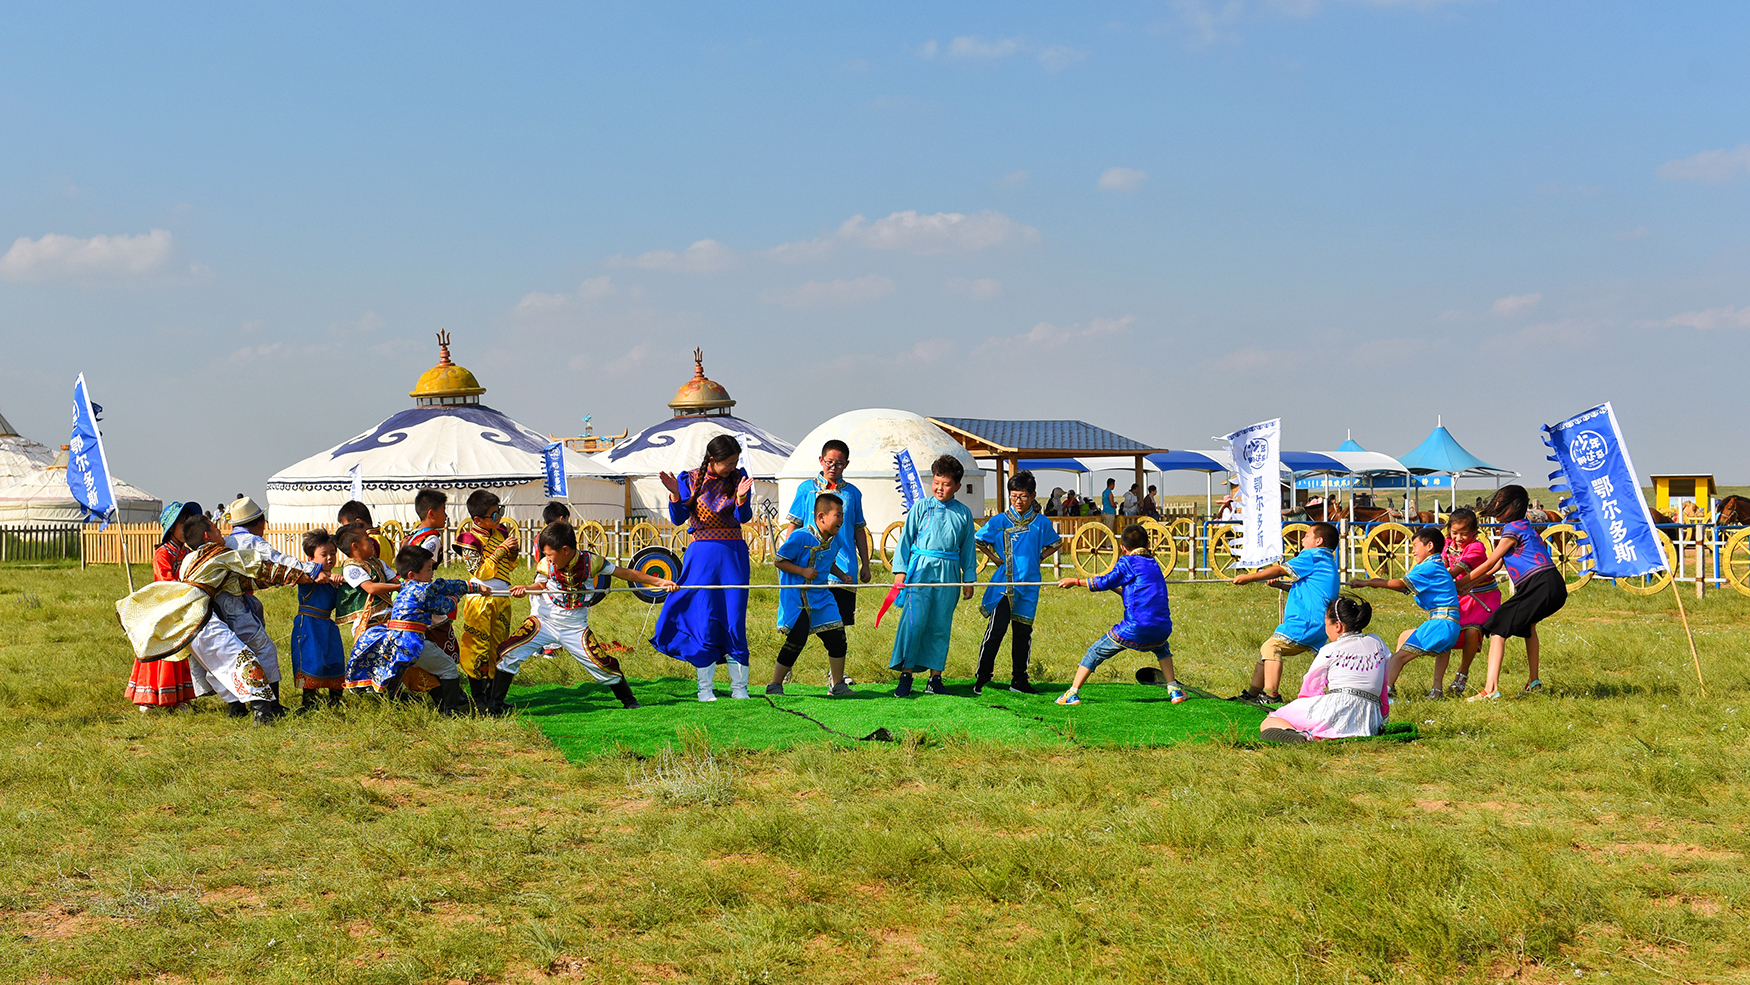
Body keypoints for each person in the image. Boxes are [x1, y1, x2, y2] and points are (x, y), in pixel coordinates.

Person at [114, 513, 321, 725]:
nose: (220, 531)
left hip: (186, 624)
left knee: (217, 666)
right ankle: (263, 712)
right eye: (215, 528)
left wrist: (281, 581)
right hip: (201, 619)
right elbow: (257, 566)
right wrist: (300, 575)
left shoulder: (188, 559)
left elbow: (233, 584)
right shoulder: (220, 553)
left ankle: (237, 709)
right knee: (241, 657)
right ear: (207, 535)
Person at [497, 522, 673, 715]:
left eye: (549, 554)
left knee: (602, 665)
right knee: (510, 651)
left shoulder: (593, 562)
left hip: (574, 626)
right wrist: (526, 589)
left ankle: (629, 700)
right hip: (543, 621)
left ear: (565, 550)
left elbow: (625, 573)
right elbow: (540, 586)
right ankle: (495, 703)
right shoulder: (545, 564)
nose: (547, 558)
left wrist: (660, 582)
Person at [650, 435, 756, 701]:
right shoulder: (690, 478)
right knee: (704, 617)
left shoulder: (739, 478)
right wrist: (675, 492)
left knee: (734, 618)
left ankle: (739, 689)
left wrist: (742, 498)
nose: (732, 467)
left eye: (735, 462)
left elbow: (744, 517)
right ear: (713, 459)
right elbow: (677, 519)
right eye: (728, 463)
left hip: (733, 556)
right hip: (700, 557)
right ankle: (705, 689)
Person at [346, 545, 484, 713]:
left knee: (396, 679)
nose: (432, 573)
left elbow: (443, 585)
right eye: (428, 569)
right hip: (410, 642)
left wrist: (471, 587)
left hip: (394, 638)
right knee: (448, 667)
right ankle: (451, 711)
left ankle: (394, 707)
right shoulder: (423, 590)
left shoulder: (406, 586)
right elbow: (444, 606)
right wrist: (458, 596)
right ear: (413, 574)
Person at [1056, 523, 1181, 705]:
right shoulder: (1154, 564)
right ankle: (1174, 690)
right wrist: (1116, 587)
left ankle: (1072, 693)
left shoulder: (1127, 562)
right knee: (1162, 648)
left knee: (1095, 651)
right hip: (1162, 628)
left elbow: (1103, 582)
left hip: (1135, 627)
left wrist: (1075, 581)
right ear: (1147, 546)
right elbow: (1138, 593)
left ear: (1123, 548)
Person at [1462, 485, 1566, 701]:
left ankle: (1490, 689)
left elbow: (1490, 561)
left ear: (1511, 505)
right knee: (1528, 627)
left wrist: (1460, 583)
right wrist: (1466, 586)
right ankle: (1534, 682)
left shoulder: (1512, 529)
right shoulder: (1524, 526)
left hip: (1540, 584)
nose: (1496, 504)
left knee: (1498, 627)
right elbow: (1494, 567)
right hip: (1553, 585)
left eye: (1500, 501)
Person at [888, 455, 978, 696]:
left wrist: (969, 579)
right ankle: (906, 675)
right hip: (921, 569)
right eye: (936, 482)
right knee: (914, 622)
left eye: (946, 484)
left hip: (949, 572)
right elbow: (905, 540)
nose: (940, 488)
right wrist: (900, 571)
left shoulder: (964, 513)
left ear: (957, 486)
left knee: (940, 624)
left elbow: (968, 548)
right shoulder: (921, 507)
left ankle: (935, 678)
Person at [1229, 522, 1342, 706]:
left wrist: (1248, 578)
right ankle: (1253, 693)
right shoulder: (1327, 560)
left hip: (1306, 622)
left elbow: (1280, 569)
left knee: (1272, 648)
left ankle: (1271, 696)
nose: (1303, 539)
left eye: (1307, 535)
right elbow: (1309, 590)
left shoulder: (1312, 556)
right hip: (1321, 624)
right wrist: (1281, 585)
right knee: (1265, 652)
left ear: (1319, 541)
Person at [781, 439, 872, 653]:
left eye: (839, 463)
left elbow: (859, 529)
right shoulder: (806, 489)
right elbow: (794, 524)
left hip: (843, 568)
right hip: (808, 569)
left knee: (837, 627)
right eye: (829, 462)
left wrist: (865, 564)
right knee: (799, 626)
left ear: (846, 465)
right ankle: (783, 672)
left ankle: (836, 676)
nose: (833, 467)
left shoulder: (853, 494)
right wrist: (787, 558)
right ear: (821, 460)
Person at [973, 471, 1060, 694]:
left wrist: (1040, 557)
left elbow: (1056, 544)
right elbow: (978, 540)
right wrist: (994, 559)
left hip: (1029, 585)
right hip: (1003, 585)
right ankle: (983, 677)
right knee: (996, 630)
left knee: (1023, 634)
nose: (1018, 502)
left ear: (1032, 496)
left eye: (1022, 496)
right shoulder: (999, 521)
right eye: (1013, 497)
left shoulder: (1041, 523)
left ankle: (1019, 679)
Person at [1259, 596, 1391, 742]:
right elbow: (1383, 687)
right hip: (1370, 719)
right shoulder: (1377, 643)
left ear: (1337, 626)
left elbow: (1310, 689)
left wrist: (1304, 709)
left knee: (1271, 720)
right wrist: (1383, 718)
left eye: (1326, 623)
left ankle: (1304, 736)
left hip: (1338, 710)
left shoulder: (1330, 649)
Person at [1349, 526, 1460, 697]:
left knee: (1399, 658)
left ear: (1429, 546)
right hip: (1450, 623)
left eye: (1415, 546)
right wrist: (1373, 582)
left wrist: (1367, 583)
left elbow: (1400, 584)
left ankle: (1384, 693)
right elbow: (1403, 587)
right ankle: (1436, 690)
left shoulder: (1427, 568)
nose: (1413, 551)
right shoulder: (1435, 565)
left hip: (1441, 623)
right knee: (1408, 638)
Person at [768, 493, 851, 696]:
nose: (841, 520)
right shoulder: (801, 536)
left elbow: (828, 562)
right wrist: (802, 571)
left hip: (821, 596)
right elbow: (779, 560)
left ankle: (838, 684)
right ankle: (775, 684)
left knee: (838, 637)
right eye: (837, 515)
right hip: (797, 597)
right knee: (797, 639)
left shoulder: (835, 539)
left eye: (842, 515)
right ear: (821, 516)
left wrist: (842, 575)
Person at [126, 501, 202, 712]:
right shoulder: (163, 554)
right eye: (182, 524)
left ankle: (178, 698)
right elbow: (164, 582)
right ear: (171, 528)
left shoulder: (186, 553)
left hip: (181, 608)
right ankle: (150, 697)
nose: (187, 529)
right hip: (164, 609)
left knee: (180, 650)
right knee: (160, 651)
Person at [454, 489, 521, 706]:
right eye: (493, 514)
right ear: (478, 519)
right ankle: (479, 697)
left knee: (499, 646)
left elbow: (509, 565)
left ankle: (495, 698)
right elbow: (478, 572)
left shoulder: (501, 532)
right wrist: (501, 550)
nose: (499, 517)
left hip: (502, 596)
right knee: (477, 646)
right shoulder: (468, 539)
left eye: (499, 511)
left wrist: (512, 552)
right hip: (480, 599)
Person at [1442, 508, 1500, 696]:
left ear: (1475, 532)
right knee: (1446, 629)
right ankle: (1439, 682)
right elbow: (1442, 564)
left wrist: (1441, 581)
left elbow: (1457, 570)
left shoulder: (1476, 548)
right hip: (1460, 597)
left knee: (1472, 632)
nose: (1458, 537)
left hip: (1482, 597)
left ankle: (1463, 672)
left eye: (1464, 534)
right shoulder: (1447, 545)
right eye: (1454, 533)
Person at [289, 528, 347, 712]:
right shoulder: (307, 573)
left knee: (335, 658)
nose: (330, 558)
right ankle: (309, 702)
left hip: (327, 625)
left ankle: (336, 701)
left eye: (333, 553)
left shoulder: (333, 579)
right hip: (309, 624)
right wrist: (320, 572)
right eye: (324, 554)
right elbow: (301, 568)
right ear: (311, 557)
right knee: (312, 660)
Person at [335, 523, 400, 641]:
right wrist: (397, 587)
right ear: (355, 546)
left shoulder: (378, 563)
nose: (372, 542)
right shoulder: (351, 568)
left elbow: (395, 581)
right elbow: (370, 588)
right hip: (368, 621)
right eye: (367, 539)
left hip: (389, 617)